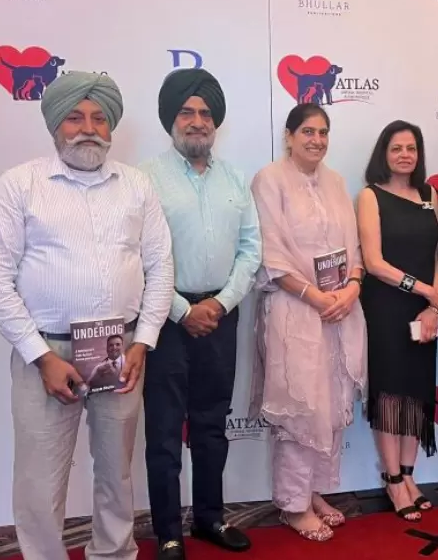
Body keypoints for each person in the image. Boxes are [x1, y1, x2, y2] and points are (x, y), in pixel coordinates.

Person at [0, 71, 175, 560]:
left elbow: (160, 266)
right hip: (44, 352)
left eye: (99, 118)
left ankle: (114, 553)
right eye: (75, 118)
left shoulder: (137, 186)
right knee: (40, 479)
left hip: (119, 349)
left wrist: (143, 343)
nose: (88, 128)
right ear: (54, 125)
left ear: (111, 127)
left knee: (116, 471)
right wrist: (41, 357)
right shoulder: (20, 185)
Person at [140, 68, 261, 559]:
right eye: (187, 112)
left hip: (220, 316)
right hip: (165, 320)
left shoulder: (234, 178)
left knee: (212, 425)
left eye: (206, 113)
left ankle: (210, 517)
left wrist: (220, 303)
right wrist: (182, 309)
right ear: (171, 119)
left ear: (216, 122)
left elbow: (250, 250)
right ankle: (169, 532)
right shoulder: (146, 179)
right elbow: (140, 257)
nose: (197, 121)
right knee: (165, 432)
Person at [249, 103, 367, 542]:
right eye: (307, 132)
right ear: (289, 136)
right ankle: (293, 505)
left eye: (323, 132)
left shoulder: (335, 182)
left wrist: (351, 288)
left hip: (340, 310)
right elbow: (271, 253)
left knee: (331, 404)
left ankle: (314, 492)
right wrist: (315, 297)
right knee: (301, 407)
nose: (316, 140)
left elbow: (353, 249)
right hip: (295, 311)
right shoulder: (269, 180)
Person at [356, 120, 438, 523]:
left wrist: (436, 306)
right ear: (384, 153)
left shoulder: (430, 195)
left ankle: (410, 475)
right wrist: (425, 290)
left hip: (424, 311)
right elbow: (374, 263)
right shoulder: (370, 196)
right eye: (396, 148)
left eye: (411, 148)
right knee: (391, 394)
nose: (405, 155)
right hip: (385, 308)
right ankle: (392, 479)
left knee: (416, 392)